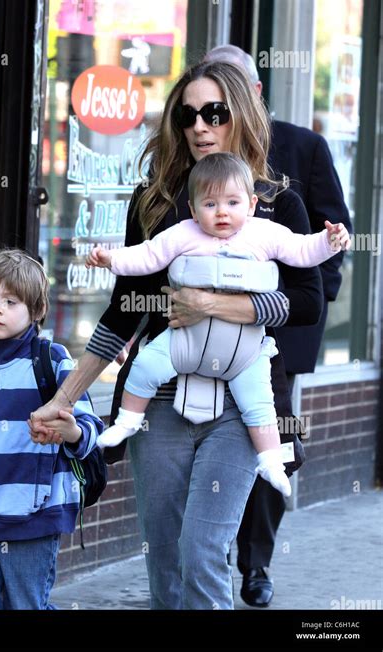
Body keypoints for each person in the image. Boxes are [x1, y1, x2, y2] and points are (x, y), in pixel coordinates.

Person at [30, 60, 324, 610]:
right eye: (187, 114)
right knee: (163, 555)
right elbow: (123, 314)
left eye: (214, 113)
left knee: (203, 549)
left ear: (241, 116)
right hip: (159, 400)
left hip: (242, 402)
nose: (199, 126)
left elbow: (307, 303)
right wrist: (63, 399)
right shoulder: (156, 204)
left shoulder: (277, 203)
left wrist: (216, 304)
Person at [85, 152, 350, 500]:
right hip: (185, 342)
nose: (222, 212)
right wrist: (111, 259)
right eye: (210, 204)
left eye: (232, 202)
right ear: (194, 210)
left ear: (252, 204)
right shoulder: (184, 234)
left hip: (245, 351)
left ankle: (270, 461)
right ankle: (126, 421)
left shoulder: (265, 233)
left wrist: (328, 242)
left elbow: (301, 250)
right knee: (145, 364)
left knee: (260, 405)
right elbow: (147, 255)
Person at [204, 45, 352, 608]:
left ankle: (256, 564)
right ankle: (208, 555)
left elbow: (333, 232)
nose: (217, 110)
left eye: (233, 89)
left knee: (275, 440)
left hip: (278, 332)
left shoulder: (301, 147)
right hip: (200, 334)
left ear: (256, 92)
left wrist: (307, 310)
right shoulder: (196, 147)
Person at [0, 248, 103, 610]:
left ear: (36, 310)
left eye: (11, 301)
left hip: (34, 514)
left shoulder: (51, 359)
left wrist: (70, 430)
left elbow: (89, 431)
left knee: (27, 605)